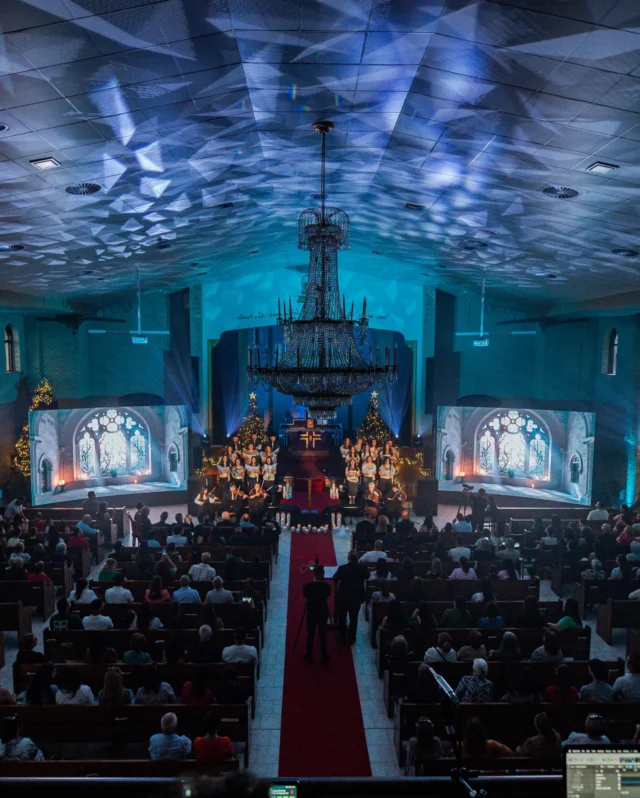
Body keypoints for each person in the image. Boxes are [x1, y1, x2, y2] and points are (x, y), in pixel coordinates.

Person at [332, 550, 368, 645]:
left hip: (344, 596)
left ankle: (342, 636)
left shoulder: (343, 568)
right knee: (354, 618)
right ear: (357, 558)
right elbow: (367, 576)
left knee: (342, 617)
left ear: (348, 558)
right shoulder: (362, 568)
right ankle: (352, 637)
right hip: (356, 596)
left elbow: (335, 578)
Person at [303, 563, 331, 665]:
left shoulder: (307, 586)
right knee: (323, 634)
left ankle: (309, 656)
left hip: (311, 611)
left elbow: (305, 595)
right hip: (322, 611)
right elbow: (327, 596)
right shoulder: (327, 587)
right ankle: (323, 656)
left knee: (310, 634)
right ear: (323, 573)